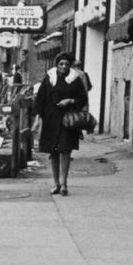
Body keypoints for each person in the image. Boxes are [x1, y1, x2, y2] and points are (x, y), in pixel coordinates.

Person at [35, 53, 90, 196]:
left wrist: (70, 101)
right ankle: (56, 184)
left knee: (65, 150)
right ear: (57, 64)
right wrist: (37, 119)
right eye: (61, 64)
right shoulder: (49, 77)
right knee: (53, 152)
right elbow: (40, 99)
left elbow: (83, 98)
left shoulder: (75, 79)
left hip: (67, 120)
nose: (64, 67)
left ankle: (64, 183)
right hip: (50, 119)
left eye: (66, 64)